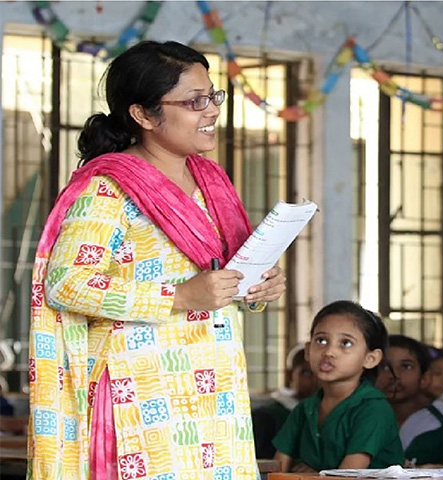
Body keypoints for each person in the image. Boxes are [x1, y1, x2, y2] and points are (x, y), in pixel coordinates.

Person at [26, 41, 287, 480]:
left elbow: (221, 274)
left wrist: (257, 286)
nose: (211, 111)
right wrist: (180, 295)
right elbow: (66, 282)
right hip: (141, 390)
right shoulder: (109, 189)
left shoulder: (210, 182)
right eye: (194, 102)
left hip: (213, 386)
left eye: (213, 97)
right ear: (143, 115)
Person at [272, 301, 403, 471]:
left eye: (346, 343)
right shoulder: (305, 409)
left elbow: (347, 475)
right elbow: (278, 469)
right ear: (308, 351)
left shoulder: (374, 410)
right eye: (321, 340)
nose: (329, 352)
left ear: (370, 359)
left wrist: (314, 476)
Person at [377, 335, 443, 466]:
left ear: (425, 378)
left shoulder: (442, 423)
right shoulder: (363, 415)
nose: (395, 375)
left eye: (406, 366)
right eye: (385, 367)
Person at [252, 344, 318, 459]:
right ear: (290, 375)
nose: (315, 380)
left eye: (320, 373)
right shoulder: (267, 417)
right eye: (306, 373)